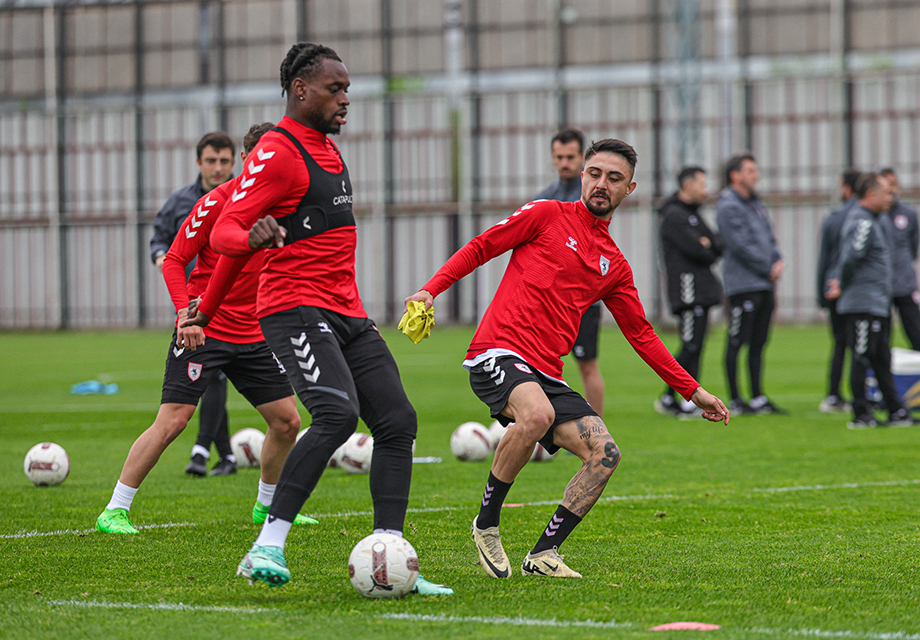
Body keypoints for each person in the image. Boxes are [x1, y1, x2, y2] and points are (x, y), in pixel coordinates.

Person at [185, 42, 451, 595]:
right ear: (300, 89)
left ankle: (389, 554)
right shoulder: (278, 149)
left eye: (348, 88)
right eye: (336, 88)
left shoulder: (327, 149)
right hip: (293, 307)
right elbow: (223, 231)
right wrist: (249, 237)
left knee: (398, 422)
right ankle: (266, 546)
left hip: (346, 311)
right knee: (335, 414)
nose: (346, 98)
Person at [406, 139, 729, 579]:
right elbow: (481, 247)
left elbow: (642, 335)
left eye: (614, 178)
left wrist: (694, 391)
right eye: (594, 173)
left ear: (628, 189)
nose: (601, 184)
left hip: (544, 374)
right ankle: (486, 525)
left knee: (606, 454)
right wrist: (430, 289)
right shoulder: (544, 214)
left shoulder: (614, 265)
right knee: (536, 415)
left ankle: (544, 554)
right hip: (496, 353)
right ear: (582, 175)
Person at [96, 122, 318, 535]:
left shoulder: (289, 208)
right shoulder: (217, 202)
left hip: (254, 333)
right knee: (174, 421)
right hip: (205, 328)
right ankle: (115, 508)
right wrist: (185, 314)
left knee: (287, 421)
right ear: (252, 161)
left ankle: (266, 508)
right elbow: (176, 258)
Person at [150, 131, 238, 477]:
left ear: (235, 161)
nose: (218, 167)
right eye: (211, 161)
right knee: (211, 377)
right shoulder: (179, 201)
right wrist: (162, 258)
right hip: (190, 304)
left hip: (235, 308)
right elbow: (160, 238)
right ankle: (223, 454)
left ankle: (206, 452)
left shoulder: (245, 199)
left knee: (215, 376)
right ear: (199, 162)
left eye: (224, 161)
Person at [834, 172, 913, 429]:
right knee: (862, 356)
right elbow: (849, 258)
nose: (891, 198)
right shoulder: (862, 222)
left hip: (876, 302)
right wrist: (843, 284)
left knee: (880, 358)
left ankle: (896, 411)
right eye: (886, 193)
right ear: (871, 194)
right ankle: (860, 414)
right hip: (863, 304)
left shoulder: (874, 220)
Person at [535, 128, 605, 417]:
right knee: (538, 364)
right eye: (559, 157)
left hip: (584, 299)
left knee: (587, 365)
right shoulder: (545, 198)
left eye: (570, 157)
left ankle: (599, 435)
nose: (564, 163)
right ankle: (540, 428)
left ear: (582, 159)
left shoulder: (591, 195)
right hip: (550, 299)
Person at [716, 153, 785, 415]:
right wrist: (766, 267)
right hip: (743, 285)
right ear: (736, 175)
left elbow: (769, 236)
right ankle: (736, 398)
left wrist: (777, 260)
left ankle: (757, 397)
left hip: (764, 284)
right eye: (750, 171)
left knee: (758, 343)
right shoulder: (728, 205)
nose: (755, 175)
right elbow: (739, 244)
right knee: (736, 341)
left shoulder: (755, 203)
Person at [655, 166, 723, 418]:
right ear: (688, 185)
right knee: (690, 345)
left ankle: (671, 397)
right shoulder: (674, 215)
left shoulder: (693, 214)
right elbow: (700, 250)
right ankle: (683, 399)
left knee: (695, 345)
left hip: (701, 289)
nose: (706, 191)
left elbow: (717, 245)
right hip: (688, 290)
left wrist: (708, 244)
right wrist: (705, 245)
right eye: (702, 185)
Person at [816, 169, 861, 413]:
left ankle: (833, 394)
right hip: (858, 289)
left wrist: (820, 291)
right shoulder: (868, 217)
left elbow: (824, 258)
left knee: (840, 343)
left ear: (846, 189)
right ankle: (862, 395)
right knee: (863, 344)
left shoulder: (834, 216)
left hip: (833, 288)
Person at [879, 167, 920, 351]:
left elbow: (913, 246)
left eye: (893, 184)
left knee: (915, 330)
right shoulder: (876, 215)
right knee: (881, 336)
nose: (892, 190)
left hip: (905, 282)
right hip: (881, 284)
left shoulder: (908, 213)